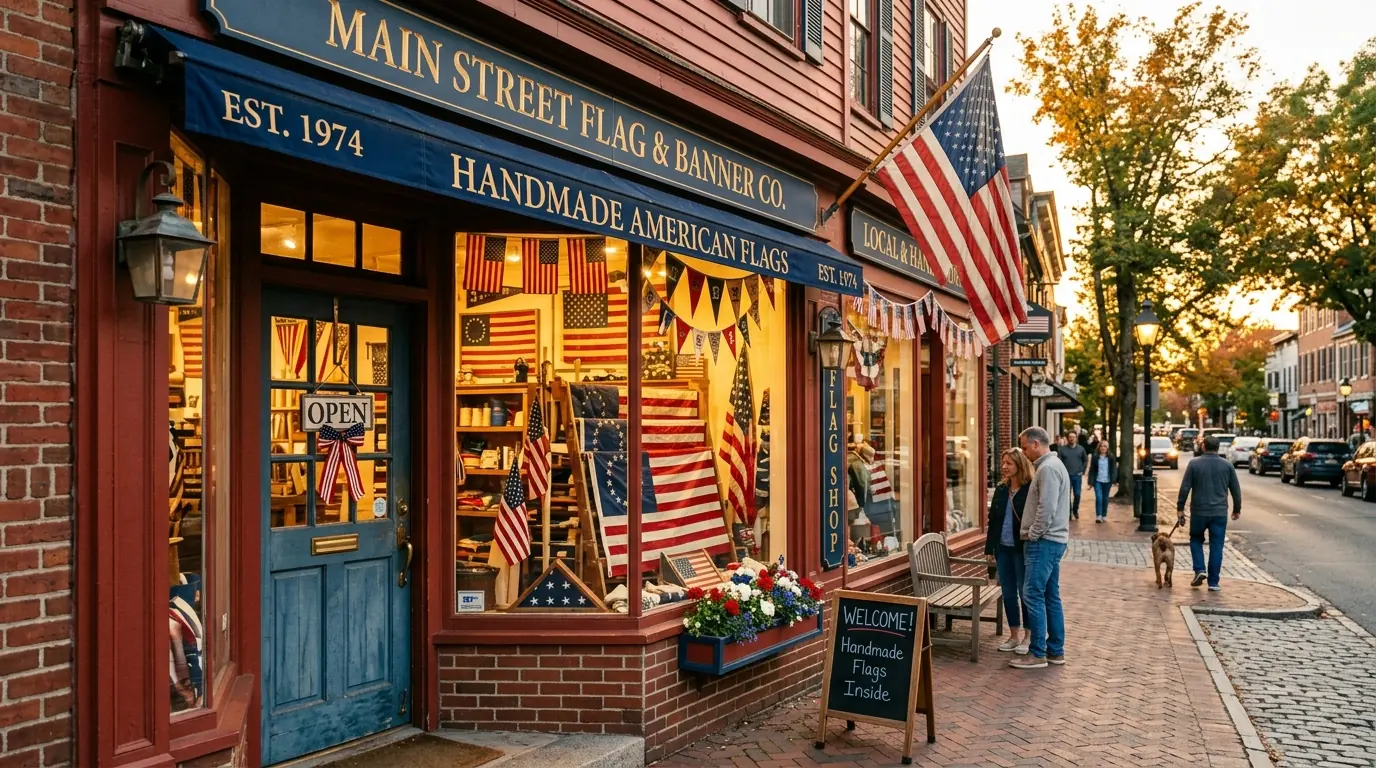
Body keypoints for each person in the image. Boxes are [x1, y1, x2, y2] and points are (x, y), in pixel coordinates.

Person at [1011, 426, 1070, 669]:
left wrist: (1033, 534)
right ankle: (1055, 649)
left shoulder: (1047, 469)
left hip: (1044, 542)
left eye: (1025, 447)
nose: (1024, 453)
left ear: (1036, 444)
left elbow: (1047, 508)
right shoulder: (1053, 467)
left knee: (1033, 593)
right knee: (1049, 595)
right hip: (1052, 541)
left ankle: (1038, 653)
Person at [1176, 435, 1242, 591]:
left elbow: (1185, 488)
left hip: (1199, 511)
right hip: (1219, 512)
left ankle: (1199, 570)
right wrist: (1236, 509)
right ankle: (1213, 582)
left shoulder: (1194, 464)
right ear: (1218, 448)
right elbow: (1235, 490)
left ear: (1203, 447)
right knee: (1217, 545)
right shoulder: (1227, 466)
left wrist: (1180, 508)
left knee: (1196, 539)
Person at [985, 448, 1032, 654]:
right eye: (1003, 462)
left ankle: (1028, 637)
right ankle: (1013, 635)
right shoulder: (1001, 489)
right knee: (1009, 593)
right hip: (1002, 548)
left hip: (1021, 549)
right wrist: (989, 547)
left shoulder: (1030, 489)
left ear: (1019, 465)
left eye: (1009, 463)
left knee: (1025, 592)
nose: (1004, 467)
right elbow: (992, 521)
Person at [1059, 431, 1087, 520]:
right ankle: (1069, 513)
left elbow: (1085, 460)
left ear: (1076, 438)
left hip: (1077, 476)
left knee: (1077, 494)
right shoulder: (1062, 449)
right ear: (1067, 438)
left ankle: (1075, 510)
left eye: (1074, 437)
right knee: (1067, 495)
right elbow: (1059, 462)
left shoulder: (1081, 449)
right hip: (1066, 476)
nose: (1072, 438)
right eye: (1070, 437)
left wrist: (1082, 470)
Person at [1087, 440, 1117, 523]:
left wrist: (1114, 480)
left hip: (1107, 481)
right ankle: (1098, 516)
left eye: (1105, 446)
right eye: (1101, 446)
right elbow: (1092, 470)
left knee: (1105, 498)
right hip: (1098, 481)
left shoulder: (1111, 457)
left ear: (1107, 448)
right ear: (1099, 447)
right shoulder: (1095, 456)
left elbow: (1114, 469)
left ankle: (1104, 515)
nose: (1103, 448)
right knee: (1099, 498)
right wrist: (1090, 482)